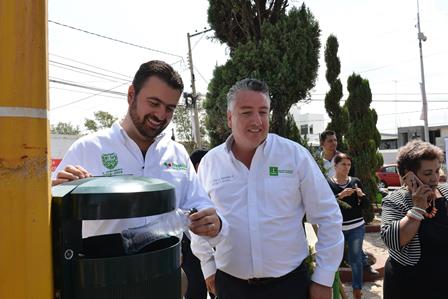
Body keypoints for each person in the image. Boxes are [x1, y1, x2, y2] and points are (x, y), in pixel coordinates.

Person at [52, 60, 227, 265]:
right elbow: (49, 217)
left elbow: (200, 205)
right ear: (131, 95)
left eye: (170, 108)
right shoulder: (88, 148)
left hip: (165, 273)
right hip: (103, 275)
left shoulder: (177, 153)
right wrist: (56, 192)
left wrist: (213, 223)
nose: (161, 115)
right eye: (154, 103)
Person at [191, 78, 344, 299]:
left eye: (263, 112)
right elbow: (198, 218)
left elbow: (328, 216)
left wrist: (323, 277)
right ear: (229, 118)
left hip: (290, 286)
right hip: (231, 287)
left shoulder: (294, 156)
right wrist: (207, 266)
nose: (257, 121)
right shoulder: (210, 163)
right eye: (246, 112)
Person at [381, 139, 448, 299]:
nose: (434, 178)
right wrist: (417, 208)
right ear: (409, 175)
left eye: (437, 171)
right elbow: (392, 240)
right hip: (409, 285)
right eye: (427, 173)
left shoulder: (445, 192)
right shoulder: (395, 200)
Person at [320, 130, 378, 277]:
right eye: (330, 141)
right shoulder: (317, 161)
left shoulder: (341, 159)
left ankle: (363, 264)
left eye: (335, 140)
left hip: (349, 206)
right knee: (332, 241)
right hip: (329, 204)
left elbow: (352, 178)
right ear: (322, 144)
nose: (334, 143)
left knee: (355, 239)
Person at [327, 153, 368, 299]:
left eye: (349, 165)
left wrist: (362, 196)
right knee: (335, 259)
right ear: (335, 165)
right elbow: (326, 205)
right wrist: (340, 196)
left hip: (357, 226)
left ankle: (357, 290)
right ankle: (337, 288)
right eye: (343, 164)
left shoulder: (355, 181)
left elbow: (365, 206)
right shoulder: (329, 183)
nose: (347, 167)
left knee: (355, 258)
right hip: (337, 228)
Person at [181, 149, 215, 299]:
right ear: (197, 165)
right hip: (191, 248)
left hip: (215, 250)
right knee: (195, 290)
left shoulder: (210, 186)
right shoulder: (189, 189)